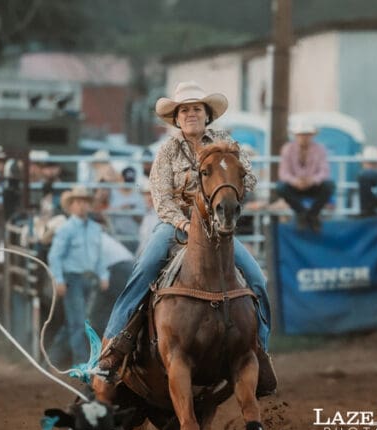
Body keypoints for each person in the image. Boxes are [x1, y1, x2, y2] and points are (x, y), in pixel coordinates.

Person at [95, 81, 276, 395]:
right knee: (145, 268)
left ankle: (259, 349)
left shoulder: (225, 142)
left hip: (218, 226)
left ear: (207, 115)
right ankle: (114, 346)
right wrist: (183, 223)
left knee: (257, 277)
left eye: (196, 109)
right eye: (185, 110)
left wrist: (229, 180)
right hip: (175, 224)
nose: (191, 115)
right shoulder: (167, 150)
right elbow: (161, 197)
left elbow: (251, 177)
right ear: (176, 118)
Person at [48, 186, 109, 365]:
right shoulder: (66, 229)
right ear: (72, 206)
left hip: (90, 279)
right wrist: (58, 279)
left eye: (84, 202)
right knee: (79, 323)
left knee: (77, 322)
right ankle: (82, 364)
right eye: (78, 202)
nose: (81, 206)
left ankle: (53, 359)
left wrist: (103, 274)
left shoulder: (95, 229)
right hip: (72, 279)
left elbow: (99, 255)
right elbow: (55, 256)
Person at [274, 120, 335, 231]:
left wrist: (312, 180)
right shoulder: (287, 149)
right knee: (280, 187)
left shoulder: (320, 149)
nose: (303, 137)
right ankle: (307, 214)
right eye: (301, 134)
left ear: (311, 135)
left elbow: (324, 172)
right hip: (296, 185)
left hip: (313, 185)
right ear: (296, 135)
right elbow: (283, 173)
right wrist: (295, 181)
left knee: (329, 185)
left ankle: (308, 214)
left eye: (306, 134)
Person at [91, 232, 135, 335]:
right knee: (112, 311)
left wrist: (103, 276)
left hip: (117, 269)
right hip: (124, 266)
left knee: (103, 313)